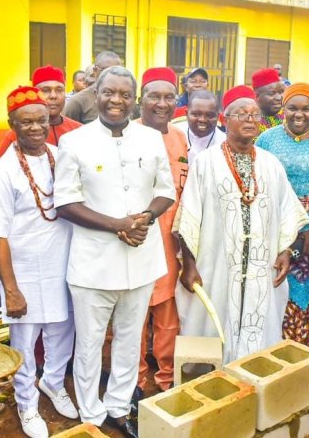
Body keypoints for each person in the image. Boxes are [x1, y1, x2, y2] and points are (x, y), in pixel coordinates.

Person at [54, 66, 175, 437]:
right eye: (109, 92)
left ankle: (119, 408)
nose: (116, 101)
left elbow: (165, 191)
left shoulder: (150, 139)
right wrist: (117, 226)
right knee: (89, 344)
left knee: (129, 338)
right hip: (93, 264)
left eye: (124, 94)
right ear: (96, 93)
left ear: (133, 99)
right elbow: (65, 203)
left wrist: (143, 218)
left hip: (141, 257)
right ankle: (90, 413)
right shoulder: (75, 142)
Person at [176, 84, 309, 363]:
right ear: (225, 119)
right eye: (241, 114)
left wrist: (286, 252)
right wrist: (188, 265)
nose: (250, 120)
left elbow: (288, 212)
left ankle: (254, 383)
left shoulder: (271, 164)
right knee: (212, 327)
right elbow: (189, 217)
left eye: (254, 115)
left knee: (259, 333)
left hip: (261, 266)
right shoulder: (206, 163)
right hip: (216, 267)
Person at [0, 87, 77, 438]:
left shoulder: (59, 155)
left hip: (62, 268)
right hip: (23, 275)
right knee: (24, 343)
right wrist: (12, 290)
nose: (36, 127)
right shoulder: (4, 171)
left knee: (63, 332)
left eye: (41, 120)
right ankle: (26, 402)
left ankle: (53, 383)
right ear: (12, 124)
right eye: (26, 122)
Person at [255, 83, 309, 349]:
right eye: (292, 108)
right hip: (274, 225)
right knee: (274, 285)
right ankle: (270, 354)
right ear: (283, 109)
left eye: (306, 109)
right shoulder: (266, 139)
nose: (298, 114)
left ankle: (303, 355)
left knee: (307, 291)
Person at [133, 67, 189, 400]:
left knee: (168, 313)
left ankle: (167, 378)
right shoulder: (126, 134)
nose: (162, 103)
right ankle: (137, 382)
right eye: (154, 95)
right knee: (134, 315)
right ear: (141, 99)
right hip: (136, 238)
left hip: (170, 240)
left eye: (169, 96)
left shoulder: (180, 137)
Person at [0, 65, 81, 158]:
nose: (53, 96)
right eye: (46, 90)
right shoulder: (17, 134)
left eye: (59, 90)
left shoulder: (79, 130)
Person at [63, 51, 123, 124]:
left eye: (118, 71)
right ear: (95, 70)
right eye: (107, 70)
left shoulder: (126, 99)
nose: (113, 75)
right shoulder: (78, 101)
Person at [173, 89, 225, 164]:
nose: (202, 120)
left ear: (217, 116)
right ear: (187, 113)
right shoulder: (174, 135)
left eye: (209, 115)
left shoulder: (225, 143)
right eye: (196, 114)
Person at [251, 67, 286, 134]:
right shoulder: (249, 122)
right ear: (257, 96)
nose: (279, 97)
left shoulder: (287, 117)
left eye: (281, 92)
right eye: (272, 93)